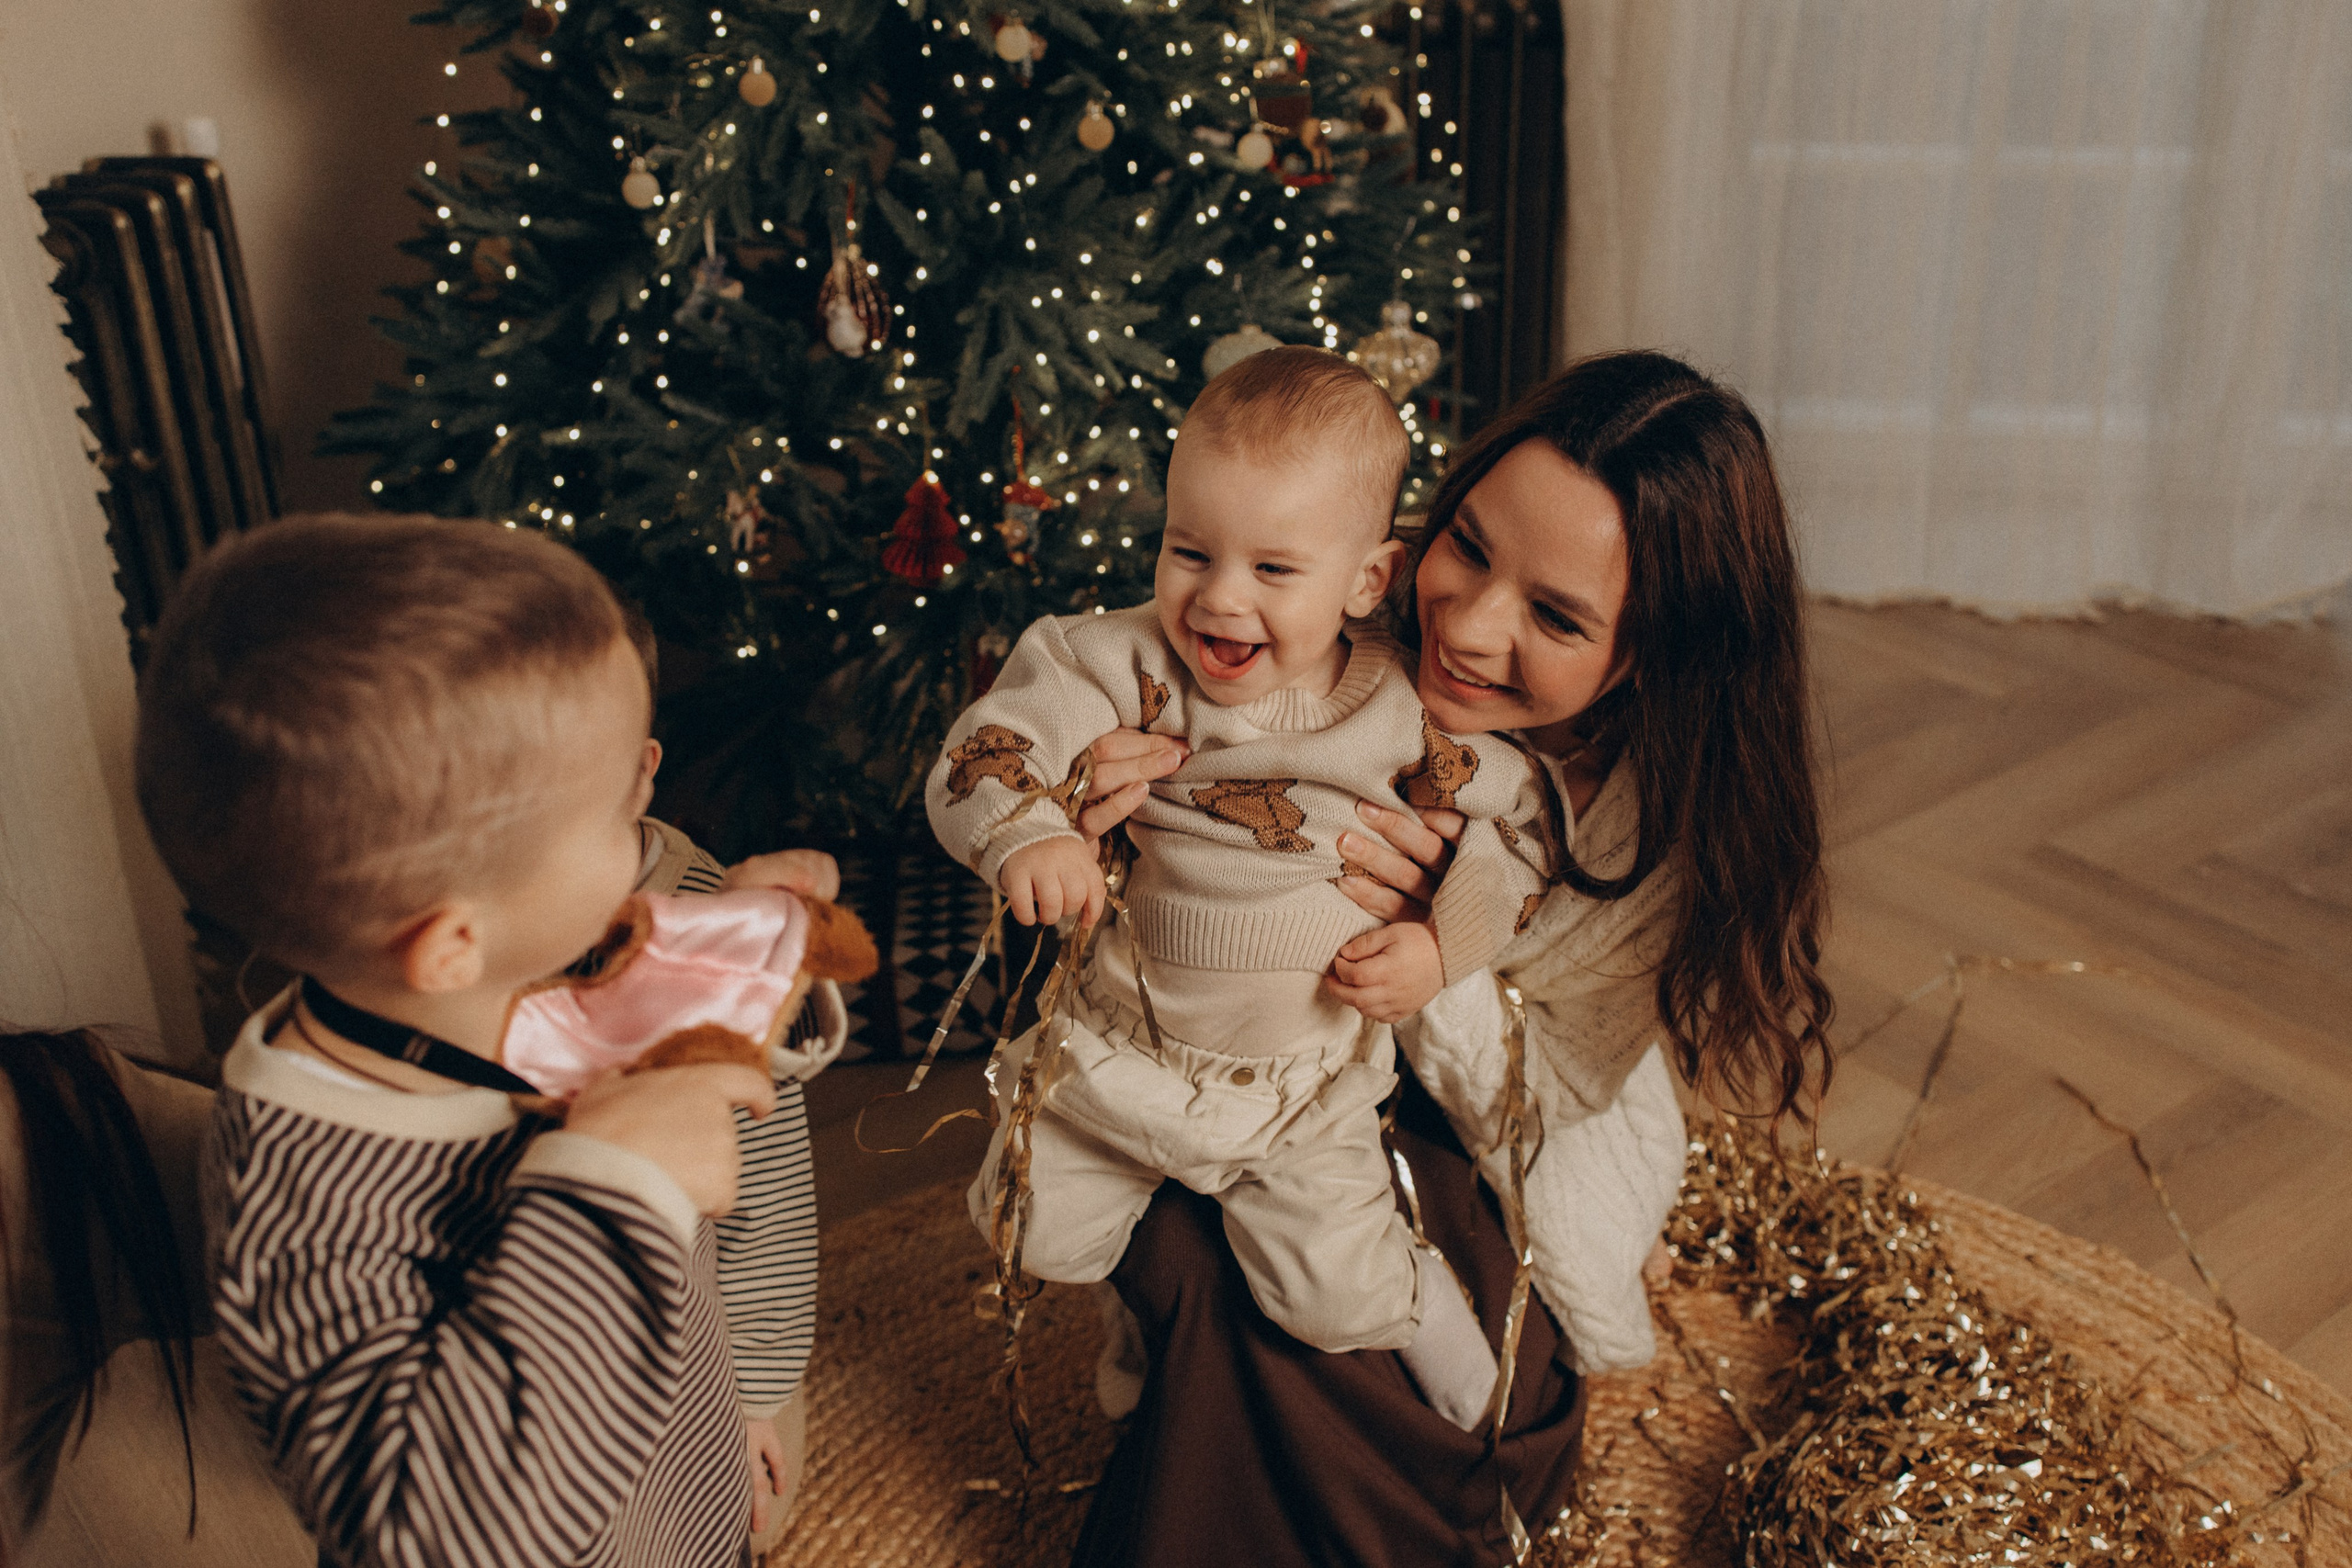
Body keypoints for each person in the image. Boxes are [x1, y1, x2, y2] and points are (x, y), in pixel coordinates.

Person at [1060, 350, 1837, 1566]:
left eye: (1559, 615)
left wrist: (1445, 946)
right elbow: (1141, 768)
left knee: (1341, 1321)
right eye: (1465, 547)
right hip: (1250, 1051)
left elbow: (1536, 1105)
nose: (1468, 625)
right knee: (1191, 1241)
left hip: (1472, 1137)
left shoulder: (1650, 824)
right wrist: (1091, 802)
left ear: (1648, 654)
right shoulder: (1324, 597)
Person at [135, 513, 839, 1568]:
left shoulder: (508, 977)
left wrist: (740, 957)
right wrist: (615, 1176)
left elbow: (665, 1049)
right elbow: (450, 1530)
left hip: (684, 1496)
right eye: (617, 818)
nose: (652, 813)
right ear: (453, 941)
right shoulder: (303, 1206)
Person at [927, 348, 1551, 1427]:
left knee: (1331, 1296)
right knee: (1034, 1230)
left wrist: (1444, 947)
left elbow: (1516, 836)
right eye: (1188, 551)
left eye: (1272, 570)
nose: (1217, 597)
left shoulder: (1402, 716)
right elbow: (992, 740)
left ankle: (1421, 1310)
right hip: (1120, 1049)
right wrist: (1029, 831)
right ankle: (1137, 1315)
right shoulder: (1128, 663)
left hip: (1296, 1090)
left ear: (1367, 581)